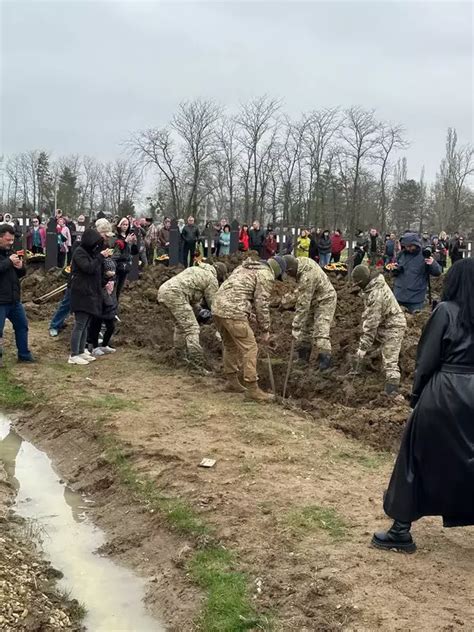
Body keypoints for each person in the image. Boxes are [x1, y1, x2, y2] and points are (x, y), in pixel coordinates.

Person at [372, 258, 474, 552]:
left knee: (414, 457)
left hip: (445, 393)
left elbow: (427, 360)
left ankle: (401, 531)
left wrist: (417, 396)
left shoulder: (445, 312)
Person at [212, 256, 286, 401]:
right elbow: (262, 303)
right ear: (276, 270)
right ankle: (252, 389)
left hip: (217, 308)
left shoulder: (244, 267)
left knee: (230, 344)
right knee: (250, 348)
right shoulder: (266, 274)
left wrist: (248, 313)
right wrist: (265, 330)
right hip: (233, 311)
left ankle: (231, 381)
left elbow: (236, 292)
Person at [158, 261, 228, 371]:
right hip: (176, 295)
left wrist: (199, 309)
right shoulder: (211, 279)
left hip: (164, 292)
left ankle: (179, 358)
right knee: (192, 328)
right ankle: (197, 364)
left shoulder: (195, 269)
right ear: (219, 274)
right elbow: (213, 304)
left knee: (181, 326)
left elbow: (190, 292)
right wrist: (219, 320)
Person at [351, 265, 407, 394]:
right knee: (368, 349)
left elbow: (371, 325)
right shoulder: (372, 286)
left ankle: (390, 394)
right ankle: (359, 375)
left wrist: (362, 348)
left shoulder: (376, 294)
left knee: (390, 361)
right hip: (383, 323)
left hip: (394, 326)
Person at [282, 255, 337, 371]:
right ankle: (303, 359)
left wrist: (295, 326)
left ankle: (325, 363)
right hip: (314, 298)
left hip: (325, 300)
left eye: (289, 274)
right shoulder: (299, 263)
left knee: (321, 331)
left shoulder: (307, 275)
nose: (289, 277)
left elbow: (303, 305)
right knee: (305, 329)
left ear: (291, 270)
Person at [68, 228, 112, 365]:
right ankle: (74, 354)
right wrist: (101, 257)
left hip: (91, 292)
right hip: (81, 293)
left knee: (85, 324)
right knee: (80, 324)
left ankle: (81, 351)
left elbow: (96, 272)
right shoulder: (79, 253)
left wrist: (106, 278)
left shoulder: (92, 253)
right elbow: (88, 268)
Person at [0, 224, 34, 366]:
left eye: (12, 239)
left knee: (22, 326)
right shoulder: (7, 257)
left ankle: (24, 355)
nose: (10, 242)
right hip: (0, 299)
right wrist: (9, 262)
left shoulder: (10, 251)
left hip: (14, 299)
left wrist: (21, 268)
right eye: (8, 239)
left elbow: (18, 273)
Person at [393, 232, 441, 313]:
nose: (408, 248)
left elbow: (437, 272)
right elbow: (395, 271)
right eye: (406, 246)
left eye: (410, 246)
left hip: (415, 298)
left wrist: (433, 263)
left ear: (416, 244)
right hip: (399, 296)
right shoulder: (401, 255)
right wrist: (394, 269)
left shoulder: (424, 255)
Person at [112, 217, 138, 301]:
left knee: (120, 288)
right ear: (119, 225)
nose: (125, 226)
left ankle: (116, 305)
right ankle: (112, 307)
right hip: (117, 265)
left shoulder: (128, 236)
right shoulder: (115, 236)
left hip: (126, 265)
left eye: (127, 224)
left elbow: (134, 252)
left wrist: (134, 243)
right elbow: (117, 253)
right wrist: (125, 242)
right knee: (114, 288)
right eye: (123, 224)